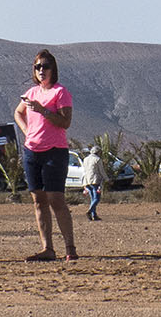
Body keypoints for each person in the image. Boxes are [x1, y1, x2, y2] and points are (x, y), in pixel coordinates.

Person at [14, 49, 76, 261]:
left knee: (55, 199)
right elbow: (18, 112)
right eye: (37, 67)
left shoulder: (60, 92)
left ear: (53, 69)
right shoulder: (31, 93)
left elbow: (65, 122)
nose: (41, 70)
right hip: (32, 151)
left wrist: (43, 111)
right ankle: (47, 248)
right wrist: (27, 131)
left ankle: (70, 247)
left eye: (45, 66)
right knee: (38, 200)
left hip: (54, 151)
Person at [81, 145, 106, 221]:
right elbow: (101, 171)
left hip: (87, 180)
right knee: (97, 198)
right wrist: (106, 178)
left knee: (92, 198)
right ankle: (90, 211)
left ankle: (94, 215)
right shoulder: (97, 159)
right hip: (95, 180)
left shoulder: (85, 159)